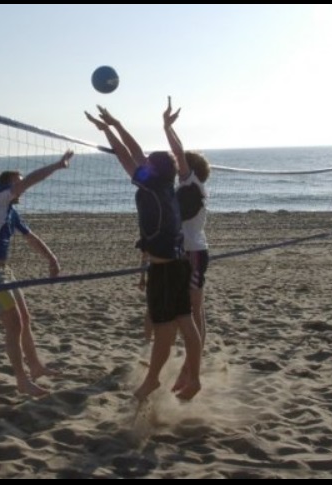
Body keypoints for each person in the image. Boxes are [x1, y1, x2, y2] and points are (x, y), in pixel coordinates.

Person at [85, 104, 202, 401]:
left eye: (148, 162)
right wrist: (117, 123)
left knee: (165, 329)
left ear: (152, 170)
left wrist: (108, 131)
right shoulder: (166, 186)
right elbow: (136, 154)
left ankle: (153, 380)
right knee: (185, 322)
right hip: (178, 265)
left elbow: (127, 156)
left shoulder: (151, 188)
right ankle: (192, 378)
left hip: (163, 269)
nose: (143, 162)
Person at [0, 150, 74, 397]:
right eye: (18, 182)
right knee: (13, 325)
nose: (21, 186)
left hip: (3, 271)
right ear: (7, 187)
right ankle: (22, 381)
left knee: (25, 319)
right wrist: (57, 165)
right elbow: (31, 180)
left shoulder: (11, 213)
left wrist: (51, 258)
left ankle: (35, 367)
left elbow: (31, 238)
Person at [163, 97, 211, 391]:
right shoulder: (189, 187)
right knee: (194, 312)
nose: (176, 165)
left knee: (194, 312)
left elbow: (179, 155)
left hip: (192, 253)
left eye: (180, 165)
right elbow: (180, 155)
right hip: (192, 251)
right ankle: (188, 370)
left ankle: (190, 372)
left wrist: (167, 126)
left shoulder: (191, 183)